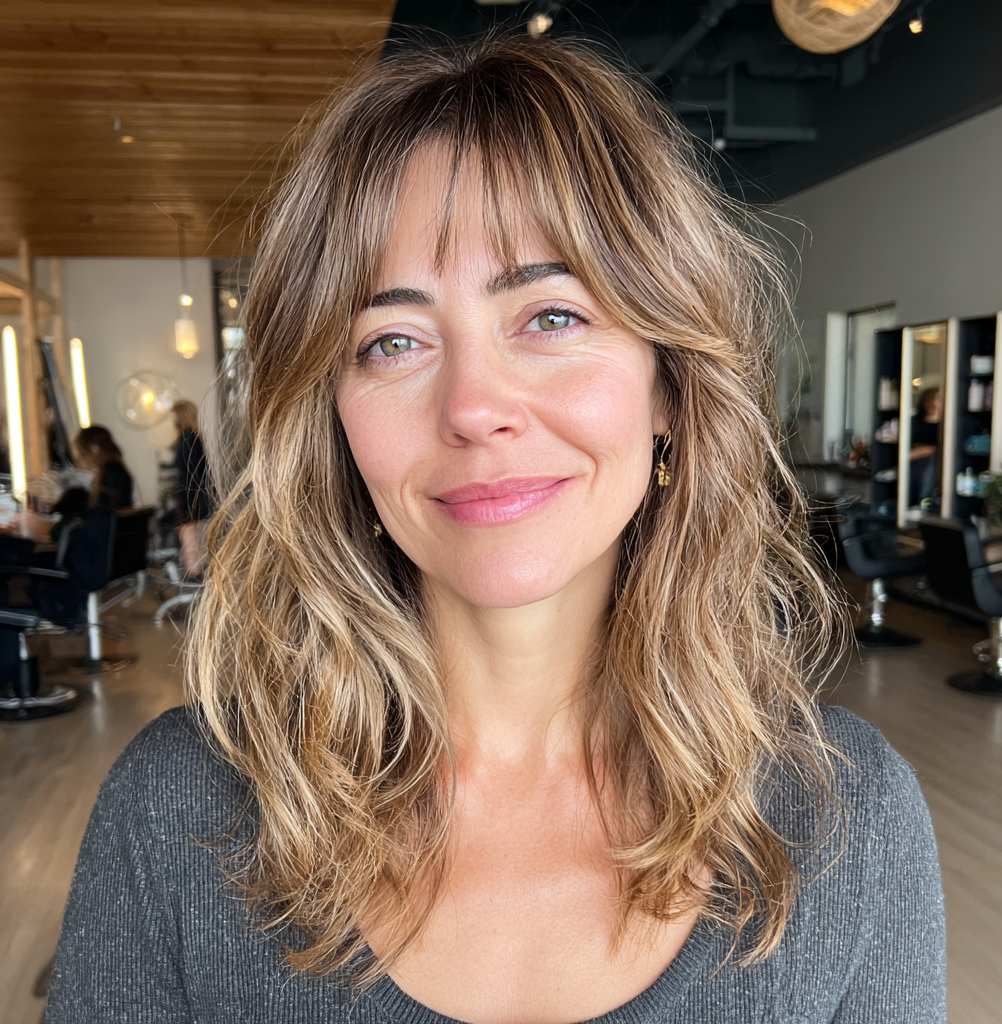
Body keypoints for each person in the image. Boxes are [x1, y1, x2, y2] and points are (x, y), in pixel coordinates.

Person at [44, 35, 945, 1024]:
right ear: (335, 424)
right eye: (393, 341)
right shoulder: (176, 812)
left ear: (669, 388)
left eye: (551, 317)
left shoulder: (849, 819)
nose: (474, 406)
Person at [170, 399, 213, 576]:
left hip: (191, 495)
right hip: (199, 494)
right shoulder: (195, 437)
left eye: (173, 414)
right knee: (195, 535)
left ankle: (193, 573)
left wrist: (182, 500)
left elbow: (188, 474)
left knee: (189, 535)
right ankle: (195, 572)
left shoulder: (187, 438)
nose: (171, 418)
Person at [909, 387, 943, 508]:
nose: (934, 403)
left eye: (938, 399)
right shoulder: (914, 422)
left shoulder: (946, 424)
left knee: (931, 461)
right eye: (931, 399)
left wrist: (925, 450)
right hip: (914, 463)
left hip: (935, 465)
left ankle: (924, 500)